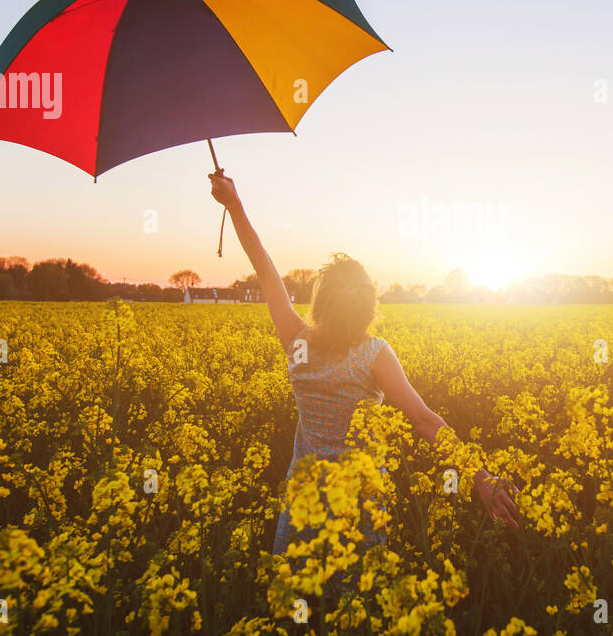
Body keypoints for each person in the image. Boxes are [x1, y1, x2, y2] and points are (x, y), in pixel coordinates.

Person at [207, 173, 521, 576]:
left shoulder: (296, 343)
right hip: (360, 503)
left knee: (296, 608)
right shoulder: (376, 354)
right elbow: (425, 421)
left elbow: (265, 270)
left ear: (320, 303)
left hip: (304, 501)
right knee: (359, 615)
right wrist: (479, 477)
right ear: (369, 306)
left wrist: (234, 205)